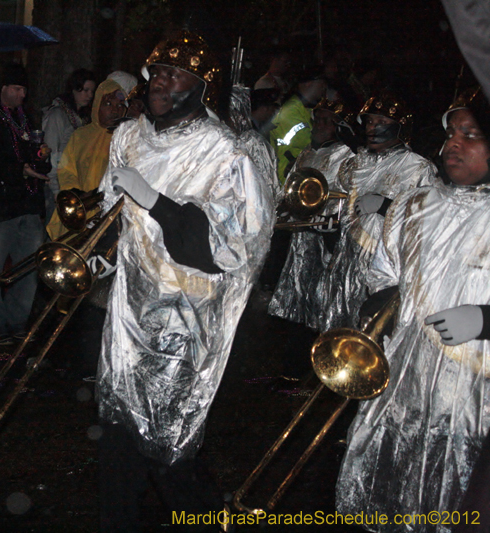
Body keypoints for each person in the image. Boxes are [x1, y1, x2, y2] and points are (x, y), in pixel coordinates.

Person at [95, 31, 274, 531]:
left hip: (186, 311)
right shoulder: (128, 136)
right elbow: (116, 216)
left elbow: (231, 246)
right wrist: (100, 255)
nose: (160, 82)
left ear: (201, 87)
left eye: (176, 74)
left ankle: (200, 514)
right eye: (157, 72)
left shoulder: (226, 151)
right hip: (129, 306)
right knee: (117, 422)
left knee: (168, 433)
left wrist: (156, 202)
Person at [337, 87, 490, 533]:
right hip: (406, 379)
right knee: (389, 492)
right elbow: (385, 274)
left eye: (471, 134)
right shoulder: (415, 206)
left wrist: (484, 319)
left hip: (474, 398)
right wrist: (377, 311)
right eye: (450, 133)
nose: (453, 144)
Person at [316, 91, 438, 332]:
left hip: (381, 273)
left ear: (400, 127)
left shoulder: (417, 168)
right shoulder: (355, 163)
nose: (373, 127)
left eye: (382, 122)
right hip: (346, 265)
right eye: (370, 121)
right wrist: (330, 228)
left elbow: (428, 224)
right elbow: (342, 205)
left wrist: (386, 206)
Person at [0, 63, 51, 345]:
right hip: (1, 207)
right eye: (17, 89)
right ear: (4, 89)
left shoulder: (26, 119)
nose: (23, 95)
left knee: (28, 269)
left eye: (24, 89)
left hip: (29, 205)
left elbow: (34, 157)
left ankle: (18, 321)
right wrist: (18, 170)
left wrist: (42, 156)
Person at [268, 98, 354, 331]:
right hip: (300, 236)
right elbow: (292, 188)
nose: (319, 125)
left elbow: (349, 197)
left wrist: (330, 221)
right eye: (318, 120)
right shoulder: (307, 151)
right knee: (297, 291)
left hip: (326, 239)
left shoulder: (347, 156)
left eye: (328, 121)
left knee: (321, 297)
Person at [46, 77, 128, 239]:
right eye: (108, 104)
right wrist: (77, 194)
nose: (115, 111)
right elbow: (66, 168)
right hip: (80, 210)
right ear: (97, 105)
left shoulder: (126, 138)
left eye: (120, 106)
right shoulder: (81, 136)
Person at [42, 69, 96, 223]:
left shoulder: (85, 119)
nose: (89, 95)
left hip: (76, 185)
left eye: (92, 91)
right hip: (58, 185)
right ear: (74, 89)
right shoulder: (57, 115)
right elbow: (51, 151)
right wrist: (56, 189)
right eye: (85, 90)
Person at [269, 69, 328, 183]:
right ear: (308, 83)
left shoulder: (306, 109)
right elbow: (309, 143)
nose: (324, 87)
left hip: (295, 174)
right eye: (321, 83)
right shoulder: (291, 110)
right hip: (285, 177)